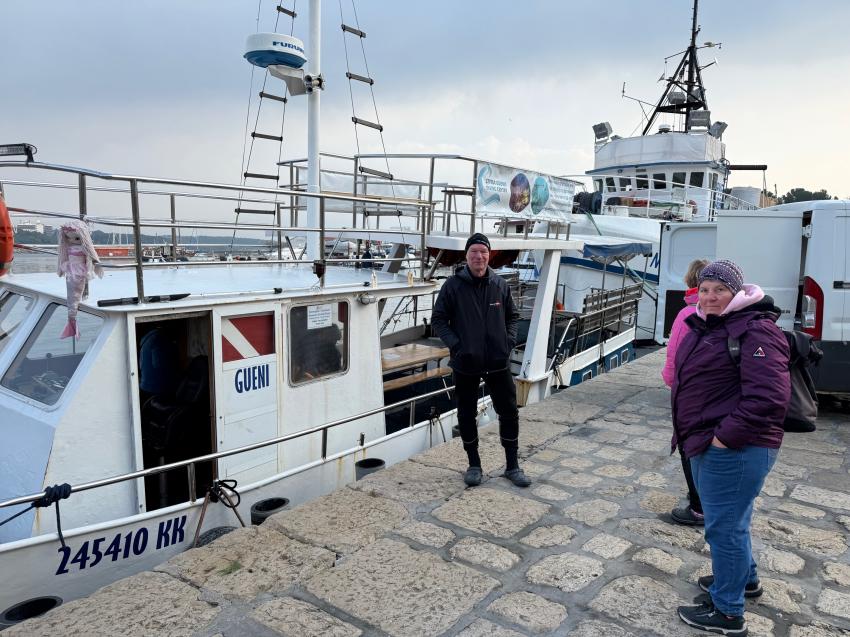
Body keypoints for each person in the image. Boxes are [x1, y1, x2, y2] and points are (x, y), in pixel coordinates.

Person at [673, 260, 790, 637]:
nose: (710, 297)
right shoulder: (714, 323)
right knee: (734, 522)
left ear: (736, 292)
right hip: (714, 440)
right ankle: (746, 581)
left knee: (723, 530)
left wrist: (722, 439)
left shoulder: (755, 331)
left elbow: (769, 398)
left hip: (734, 448)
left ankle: (727, 612)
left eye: (719, 290)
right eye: (705, 289)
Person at [431, 232, 530, 488]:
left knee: (508, 412)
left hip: (497, 361)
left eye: (483, 252)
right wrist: (456, 346)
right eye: (474, 252)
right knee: (466, 414)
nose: (479, 256)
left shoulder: (500, 285)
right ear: (467, 256)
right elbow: (439, 320)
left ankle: (512, 465)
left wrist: (507, 342)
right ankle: (474, 464)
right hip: (466, 362)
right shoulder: (452, 286)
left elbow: (513, 316)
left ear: (489, 256)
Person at [662, 258, 710, 526]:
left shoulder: (685, 314)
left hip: (690, 394)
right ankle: (707, 499)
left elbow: (673, 359)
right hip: (714, 394)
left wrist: (671, 383)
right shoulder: (720, 312)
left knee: (687, 447)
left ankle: (698, 506)